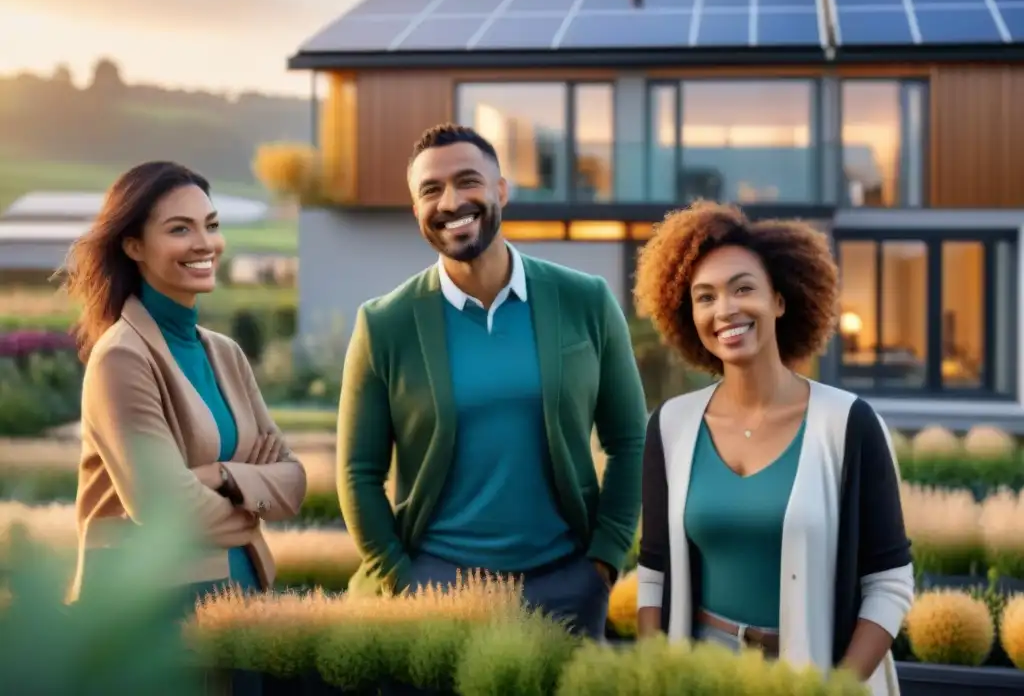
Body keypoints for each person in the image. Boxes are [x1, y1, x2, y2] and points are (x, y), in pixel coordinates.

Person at [336, 123, 647, 638]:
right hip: (435, 590)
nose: (451, 201)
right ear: (416, 209)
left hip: (566, 586)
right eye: (430, 190)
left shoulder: (586, 301)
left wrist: (605, 560)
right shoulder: (384, 323)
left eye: (468, 181)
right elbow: (357, 472)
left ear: (501, 190)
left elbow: (630, 440)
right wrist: (400, 577)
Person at [632, 202, 913, 696]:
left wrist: (835, 688)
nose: (725, 310)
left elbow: (889, 584)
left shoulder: (848, 424)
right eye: (705, 297)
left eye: (743, 288)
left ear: (780, 300)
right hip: (702, 675)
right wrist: (657, 677)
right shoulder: (670, 426)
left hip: (816, 676)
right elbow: (654, 574)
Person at [64, 161, 307, 609]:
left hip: (243, 603)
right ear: (134, 245)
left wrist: (220, 476)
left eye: (211, 225)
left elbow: (292, 481)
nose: (205, 244)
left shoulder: (226, 354)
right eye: (180, 229)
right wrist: (252, 507)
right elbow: (167, 511)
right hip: (151, 619)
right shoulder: (122, 358)